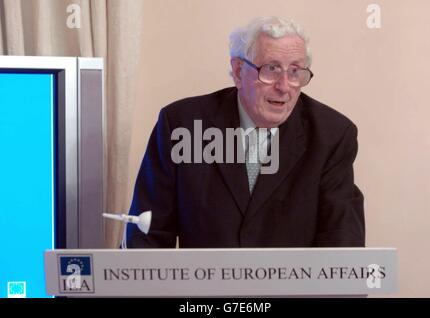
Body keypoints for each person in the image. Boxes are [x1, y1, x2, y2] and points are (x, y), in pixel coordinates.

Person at [127, 16, 365, 248]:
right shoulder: (181, 126)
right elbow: (147, 236)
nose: (284, 87)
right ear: (239, 71)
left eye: (295, 72)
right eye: (272, 69)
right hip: (203, 287)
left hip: (291, 288)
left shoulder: (332, 136)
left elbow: (343, 245)